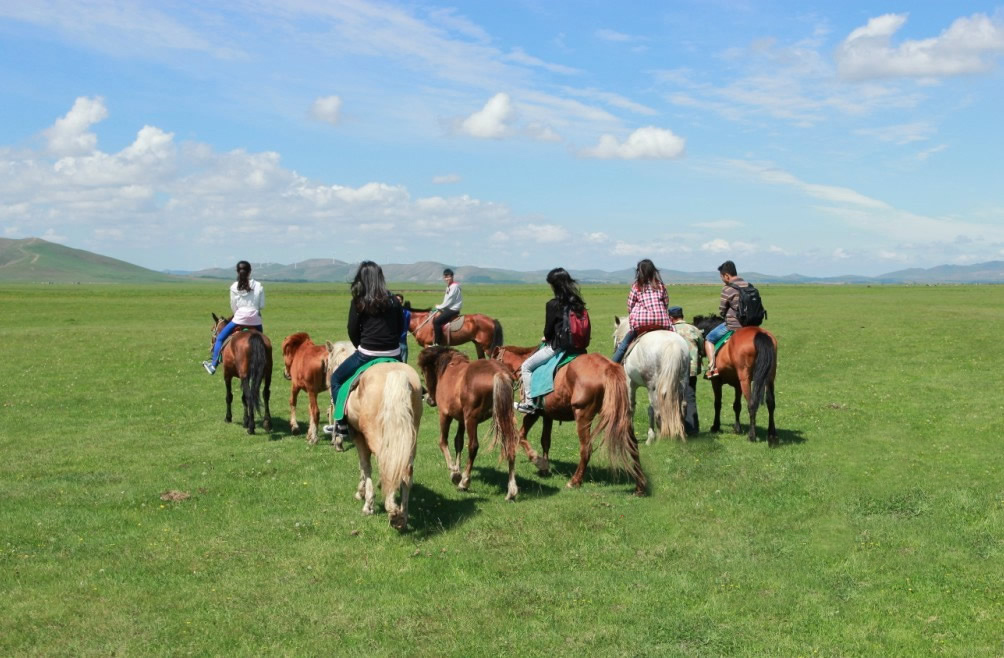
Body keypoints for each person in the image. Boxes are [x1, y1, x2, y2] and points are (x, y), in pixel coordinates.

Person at [325, 261, 404, 440]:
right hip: (394, 354)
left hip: (367, 354)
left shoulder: (359, 301)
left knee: (336, 378)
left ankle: (342, 423)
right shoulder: (394, 301)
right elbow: (400, 328)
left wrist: (361, 345)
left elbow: (352, 329)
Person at [516, 267, 587, 414]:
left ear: (555, 285)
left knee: (526, 367)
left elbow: (548, 331)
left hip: (559, 347)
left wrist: (546, 337)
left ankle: (529, 404)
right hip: (578, 347)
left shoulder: (553, 304)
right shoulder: (577, 302)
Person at [203, 260, 264, 375]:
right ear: (250, 271)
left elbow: (234, 306)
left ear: (237, 271)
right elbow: (261, 305)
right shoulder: (259, 286)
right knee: (263, 341)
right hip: (255, 320)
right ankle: (264, 364)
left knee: (220, 338)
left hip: (238, 319)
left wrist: (240, 314)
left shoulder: (234, 287)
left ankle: (213, 365)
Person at [611, 259, 673, 363]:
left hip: (642, 323)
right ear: (653, 271)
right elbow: (666, 303)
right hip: (662, 321)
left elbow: (630, 306)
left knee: (623, 345)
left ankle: (612, 368)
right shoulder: (660, 285)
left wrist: (633, 316)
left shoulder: (636, 286)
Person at [704, 260, 748, 378]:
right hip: (750, 324)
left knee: (709, 339)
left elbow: (722, 309)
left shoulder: (727, 289)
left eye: (722, 277)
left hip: (733, 325)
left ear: (727, 275)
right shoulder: (748, 285)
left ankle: (712, 368)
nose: (722, 280)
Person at [668, 306, 703, 434]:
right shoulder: (694, 329)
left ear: (671, 317)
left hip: (673, 370)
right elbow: (701, 346)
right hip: (691, 370)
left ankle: (675, 428)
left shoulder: (669, 330)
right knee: (690, 397)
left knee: (673, 397)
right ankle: (692, 429)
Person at [432, 268, 462, 346]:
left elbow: (449, 300)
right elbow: (446, 300)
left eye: (448, 277)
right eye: (445, 277)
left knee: (437, 322)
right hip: (448, 308)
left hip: (453, 309)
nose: (447, 279)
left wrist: (439, 306)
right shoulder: (449, 286)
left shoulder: (454, 286)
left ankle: (437, 343)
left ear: (452, 277)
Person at [395, 294, 411, 363]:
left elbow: (407, 325)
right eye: (397, 300)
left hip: (402, 340)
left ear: (402, 301)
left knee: (403, 362)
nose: (398, 301)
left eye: (399, 300)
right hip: (393, 340)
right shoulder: (391, 312)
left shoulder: (407, 313)